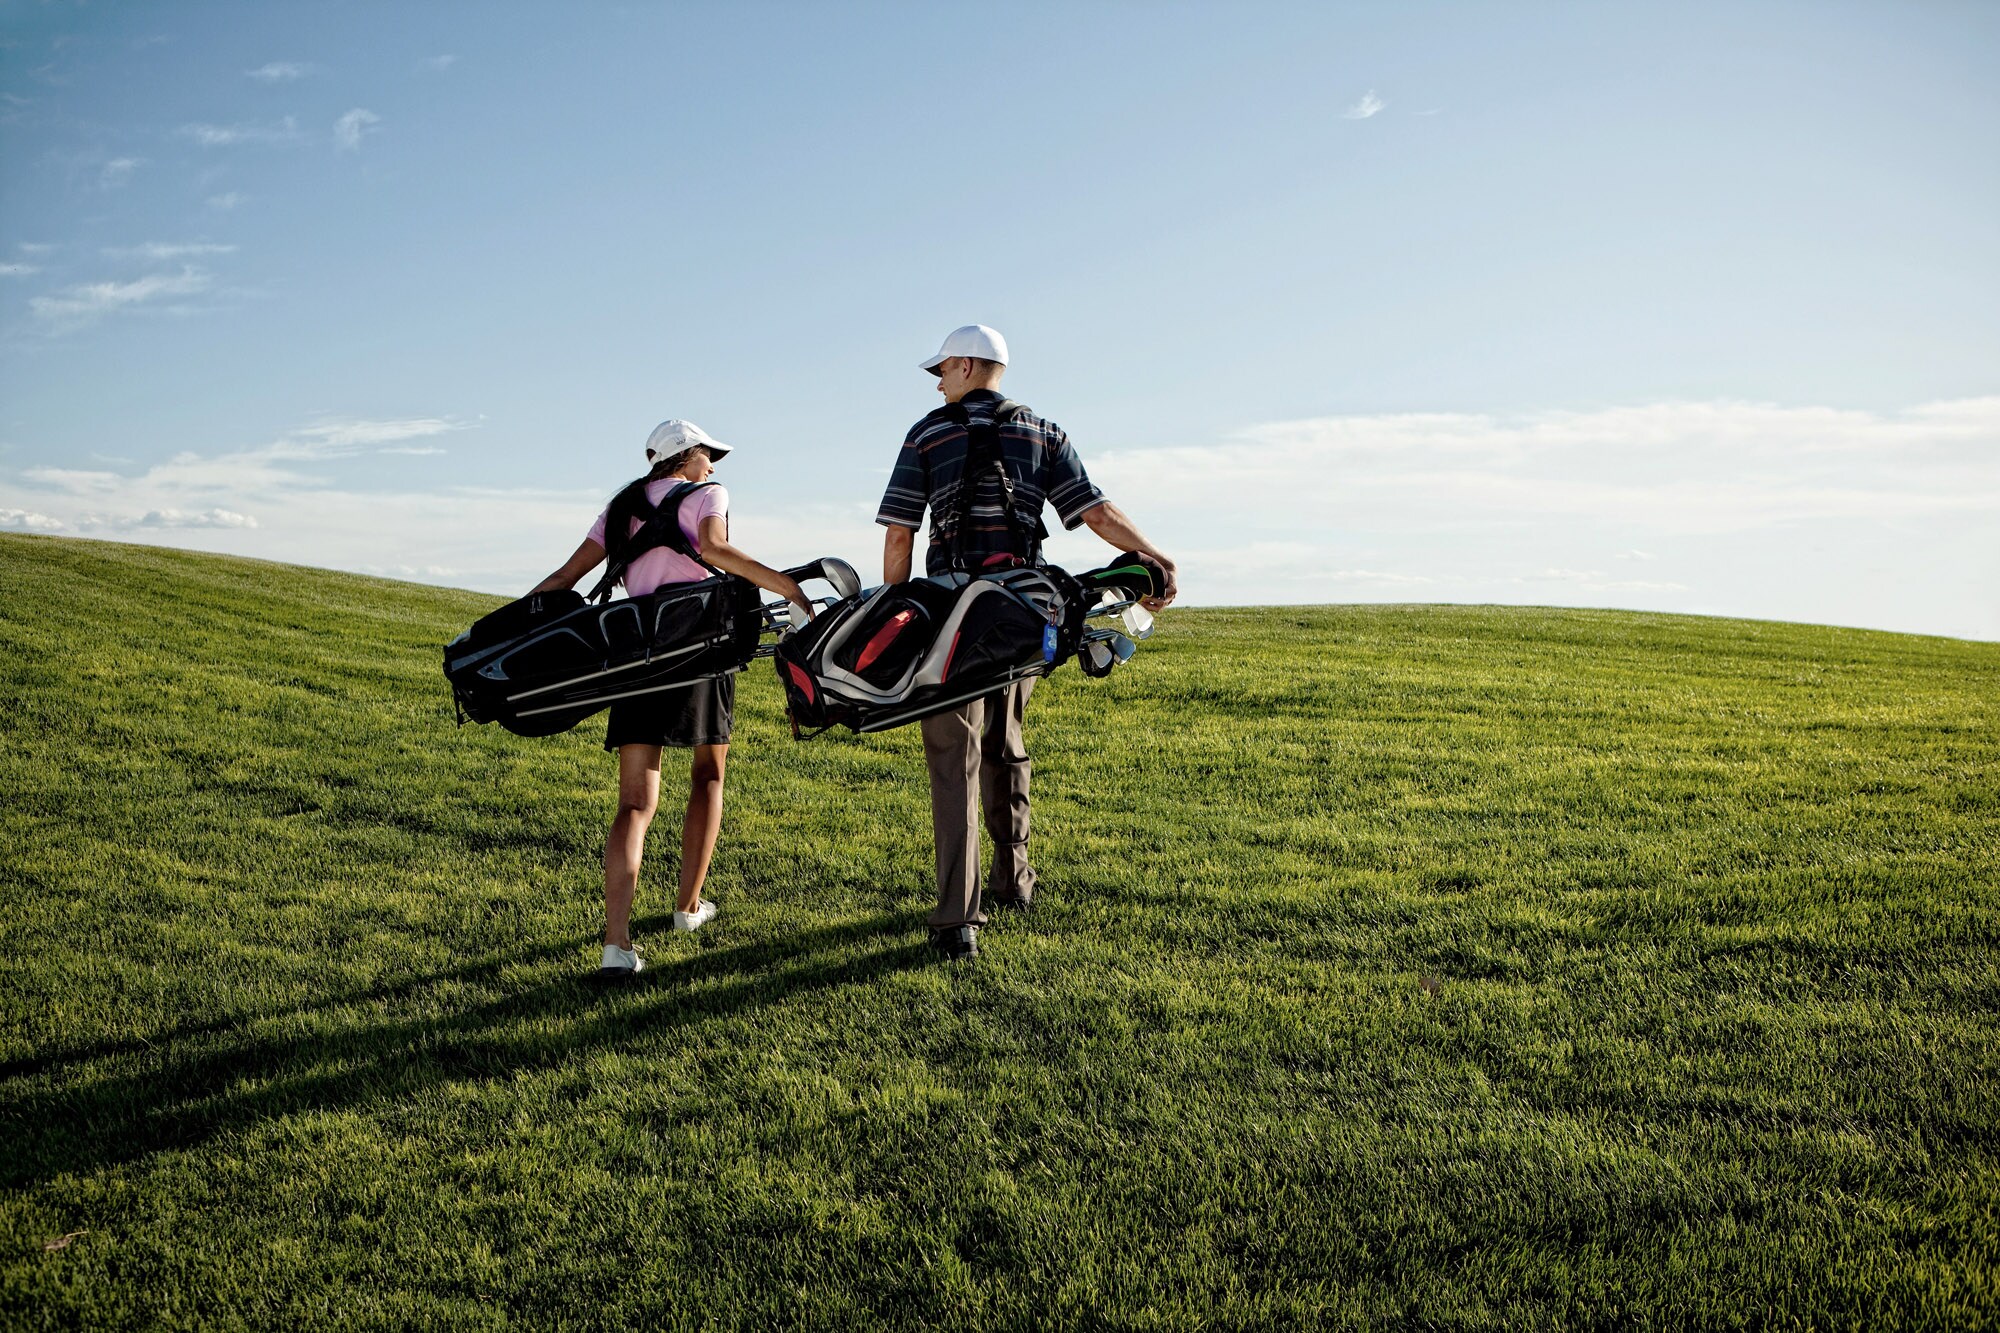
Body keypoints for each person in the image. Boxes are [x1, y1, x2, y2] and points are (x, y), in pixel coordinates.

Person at [877, 325, 1178, 961]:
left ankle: (959, 920)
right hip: (1019, 611)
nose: (937, 382)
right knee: (1006, 743)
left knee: (951, 758)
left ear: (965, 364)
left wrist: (896, 612)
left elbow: (900, 533)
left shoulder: (928, 432)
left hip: (950, 617)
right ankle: (1014, 883)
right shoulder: (1044, 431)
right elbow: (1093, 511)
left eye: (941, 371)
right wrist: (1151, 557)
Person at [533, 420, 812, 977]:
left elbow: (567, 576)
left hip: (636, 649)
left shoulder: (620, 507)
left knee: (635, 802)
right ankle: (687, 907)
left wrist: (506, 631)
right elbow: (714, 547)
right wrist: (788, 586)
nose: (713, 467)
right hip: (697, 644)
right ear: (687, 457)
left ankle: (617, 945)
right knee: (708, 775)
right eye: (709, 456)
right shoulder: (709, 493)